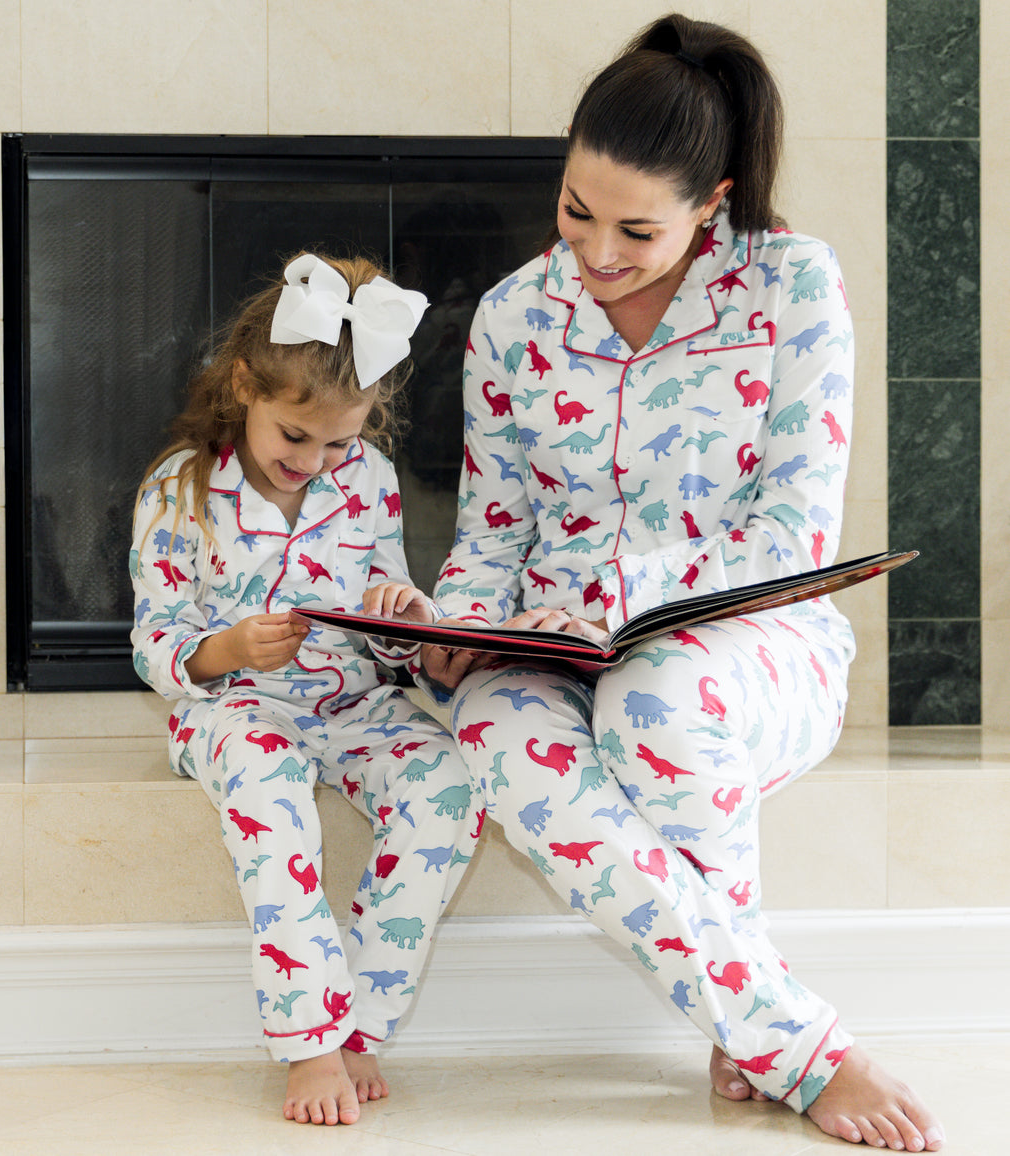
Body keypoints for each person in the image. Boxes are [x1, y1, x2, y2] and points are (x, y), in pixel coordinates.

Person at [421, 15, 944, 1152]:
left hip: (753, 648)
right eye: (573, 208)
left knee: (650, 701)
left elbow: (794, 532)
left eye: (634, 229)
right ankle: (768, 1020)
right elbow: (488, 536)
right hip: (546, 648)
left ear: (709, 201)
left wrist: (617, 594)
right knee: (493, 734)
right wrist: (459, 621)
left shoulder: (792, 287)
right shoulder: (513, 316)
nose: (593, 252)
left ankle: (777, 1039)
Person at [130, 253, 483, 1126]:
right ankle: (310, 1041)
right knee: (270, 792)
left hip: (356, 704)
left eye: (338, 442)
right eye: (296, 437)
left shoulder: (368, 482)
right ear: (246, 385)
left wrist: (402, 613)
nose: (316, 461)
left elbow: (386, 598)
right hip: (234, 710)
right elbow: (154, 642)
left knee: (449, 785)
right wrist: (229, 648)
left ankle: (359, 1020)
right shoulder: (179, 490)